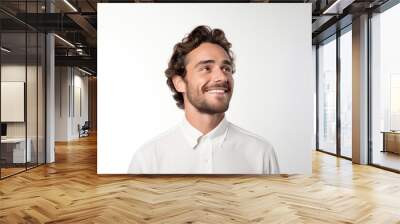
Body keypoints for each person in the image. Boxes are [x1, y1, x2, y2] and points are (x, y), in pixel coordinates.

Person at [128, 25, 279, 174]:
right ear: (179, 82)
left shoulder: (261, 153)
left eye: (226, 69)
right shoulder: (148, 160)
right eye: (206, 68)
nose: (221, 77)